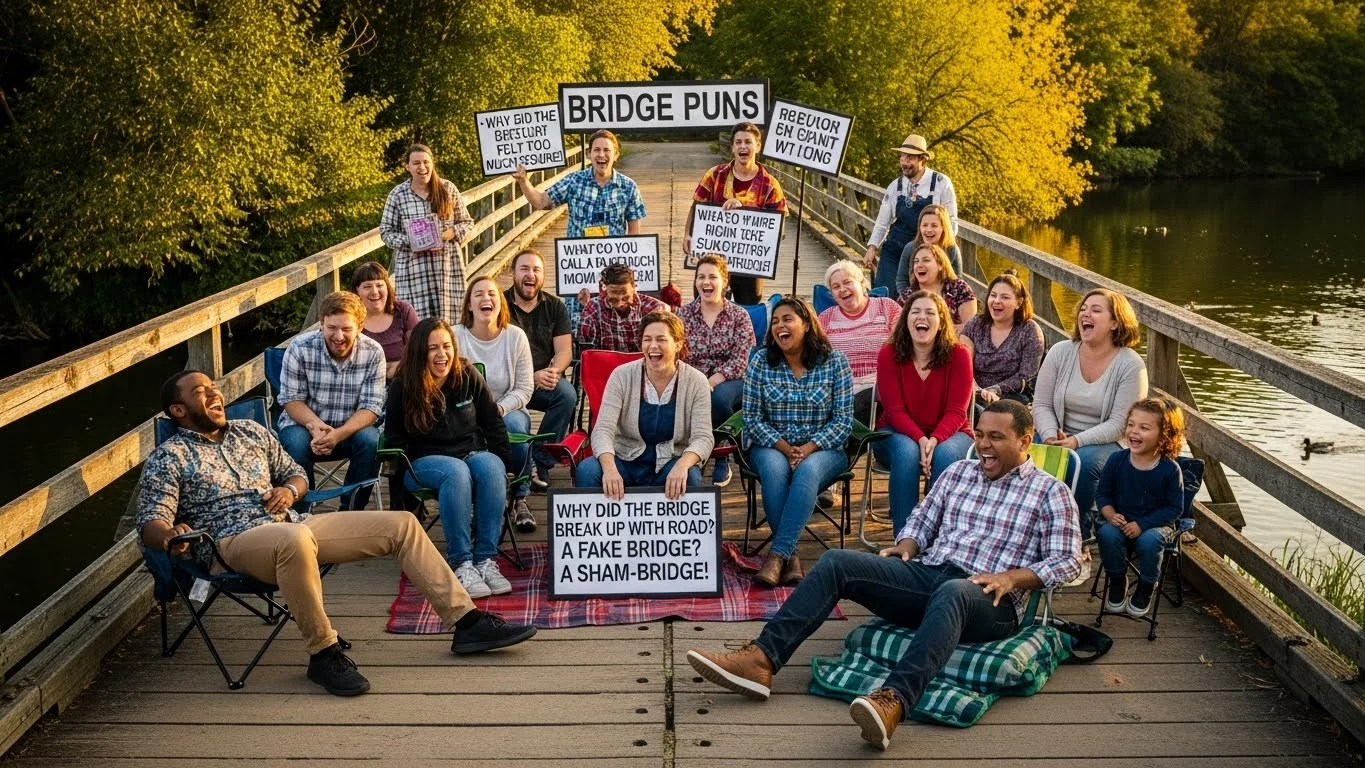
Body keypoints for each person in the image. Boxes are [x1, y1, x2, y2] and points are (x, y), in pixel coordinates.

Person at [685, 400, 1080, 751]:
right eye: (979, 435)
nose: (983, 445)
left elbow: (1068, 561)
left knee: (955, 591)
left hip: (990, 600)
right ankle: (761, 659)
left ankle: (892, 700)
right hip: (931, 575)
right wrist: (906, 545)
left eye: (996, 437)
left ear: (1025, 441)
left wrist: (1013, 578)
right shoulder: (959, 472)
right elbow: (922, 521)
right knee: (838, 562)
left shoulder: (1050, 492)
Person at [138, 370, 535, 697]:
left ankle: (465, 622)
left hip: (291, 521)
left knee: (402, 524)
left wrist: (290, 490)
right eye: (200, 391)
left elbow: (295, 473)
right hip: (231, 543)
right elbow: (151, 522)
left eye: (214, 387)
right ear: (178, 410)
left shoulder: (250, 432)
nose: (214, 393)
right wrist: (170, 535)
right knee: (294, 541)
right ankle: (323, 653)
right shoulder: (169, 457)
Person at [385, 318, 514, 600]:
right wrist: (399, 497)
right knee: (456, 471)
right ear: (420, 351)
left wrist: (507, 465)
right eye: (433, 348)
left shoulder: (467, 375)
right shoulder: (403, 386)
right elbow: (393, 441)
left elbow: (493, 423)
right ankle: (461, 562)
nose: (441, 354)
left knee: (492, 466)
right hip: (422, 463)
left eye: (446, 346)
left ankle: (485, 559)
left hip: (470, 452)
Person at [743, 297, 853, 587]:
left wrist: (807, 449)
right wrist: (784, 447)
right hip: (771, 444)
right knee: (774, 469)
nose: (780, 325)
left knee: (807, 471)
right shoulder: (760, 361)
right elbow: (752, 418)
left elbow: (843, 421)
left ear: (806, 325)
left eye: (788, 319)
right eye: (776, 321)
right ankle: (790, 557)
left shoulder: (835, 362)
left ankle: (777, 555)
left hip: (823, 448)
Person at [1033, 288, 1149, 556]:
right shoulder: (1061, 352)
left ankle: (1078, 536)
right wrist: (1050, 435)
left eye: (1096, 310)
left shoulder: (1131, 365)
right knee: (1027, 455)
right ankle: (1035, 531)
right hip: (1057, 434)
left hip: (1107, 442)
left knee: (1081, 465)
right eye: (1083, 309)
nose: (1086, 314)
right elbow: (1041, 404)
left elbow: (1121, 424)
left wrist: (1075, 441)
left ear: (1115, 323)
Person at [575, 311, 712, 498]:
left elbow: (703, 438)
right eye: (647, 339)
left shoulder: (697, 381)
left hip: (670, 463)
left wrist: (683, 464)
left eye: (661, 339)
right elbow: (602, 430)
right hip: (625, 461)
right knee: (587, 470)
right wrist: (610, 469)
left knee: (690, 476)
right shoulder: (621, 375)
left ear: (678, 344)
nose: (653, 346)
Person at [872, 291, 975, 533]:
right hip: (896, 432)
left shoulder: (959, 355)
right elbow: (894, 410)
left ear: (941, 322)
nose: (922, 317)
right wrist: (921, 439)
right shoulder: (889, 354)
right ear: (906, 319)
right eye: (915, 311)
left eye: (930, 312)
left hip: (951, 433)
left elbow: (957, 411)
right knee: (907, 452)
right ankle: (904, 537)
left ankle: (935, 534)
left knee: (944, 454)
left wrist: (934, 440)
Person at [277, 291, 385, 511]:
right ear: (321, 324)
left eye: (346, 329)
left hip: (352, 429)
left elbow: (371, 407)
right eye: (332, 328)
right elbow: (291, 399)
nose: (338, 336)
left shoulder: (374, 352)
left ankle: (351, 510)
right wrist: (316, 427)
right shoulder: (299, 348)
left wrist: (338, 434)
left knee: (371, 440)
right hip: (305, 427)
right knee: (294, 442)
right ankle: (302, 511)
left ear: (360, 327)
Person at [455, 276, 536, 531]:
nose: (486, 298)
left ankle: (519, 497)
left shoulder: (516, 337)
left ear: (500, 303)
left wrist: (498, 409)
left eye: (492, 294)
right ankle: (474, 501)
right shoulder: (455, 336)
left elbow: (525, 388)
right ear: (469, 305)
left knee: (514, 427)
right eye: (478, 294)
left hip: (507, 407)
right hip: (466, 411)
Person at [1097, 397, 1186, 618]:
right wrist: (1110, 514)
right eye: (1131, 424)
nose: (1134, 432)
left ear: (1164, 435)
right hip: (1121, 522)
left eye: (1144, 428)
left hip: (1156, 525)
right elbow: (1103, 494)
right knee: (1107, 533)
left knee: (1149, 540)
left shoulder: (1170, 470)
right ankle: (1118, 580)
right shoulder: (1116, 460)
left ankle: (1147, 585)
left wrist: (1143, 524)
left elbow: (1174, 509)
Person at [504, 248, 576, 511]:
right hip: (509, 384)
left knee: (566, 395)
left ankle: (540, 458)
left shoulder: (554, 306)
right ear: (513, 273)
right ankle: (515, 462)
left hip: (543, 380)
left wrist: (554, 371)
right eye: (524, 269)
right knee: (511, 418)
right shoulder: (499, 305)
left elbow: (565, 350)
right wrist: (528, 377)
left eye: (536, 270)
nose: (530, 275)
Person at [684, 122, 788, 304]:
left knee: (749, 304)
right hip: (712, 255)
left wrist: (744, 213)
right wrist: (687, 233)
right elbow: (696, 206)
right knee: (705, 302)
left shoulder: (770, 184)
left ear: (758, 146)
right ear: (732, 147)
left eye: (748, 142)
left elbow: (779, 228)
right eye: (738, 142)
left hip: (750, 261)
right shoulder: (715, 174)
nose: (743, 146)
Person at [677, 254, 755, 486]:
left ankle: (717, 453)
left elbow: (741, 359)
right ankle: (703, 450)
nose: (706, 282)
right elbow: (677, 353)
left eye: (712, 277)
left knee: (717, 399)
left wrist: (711, 381)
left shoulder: (739, 315)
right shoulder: (683, 315)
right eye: (701, 277)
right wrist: (698, 380)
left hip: (732, 379)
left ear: (725, 282)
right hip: (693, 377)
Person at [380, 144, 475, 325]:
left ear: (432, 163)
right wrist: (413, 240)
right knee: (416, 327)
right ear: (407, 166)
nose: (422, 167)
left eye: (426, 162)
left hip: (446, 270)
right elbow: (386, 232)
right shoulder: (398, 195)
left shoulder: (448, 188)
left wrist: (450, 233)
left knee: (451, 325)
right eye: (416, 163)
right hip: (413, 273)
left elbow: (467, 222)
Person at [863, 134, 959, 294]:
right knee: (885, 295)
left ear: (922, 159)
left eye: (910, 158)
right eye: (902, 157)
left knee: (922, 298)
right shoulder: (895, 186)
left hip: (927, 253)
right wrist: (872, 248)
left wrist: (944, 249)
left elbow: (951, 222)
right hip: (895, 250)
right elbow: (882, 222)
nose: (905, 162)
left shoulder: (941, 183)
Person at [513, 129, 645, 237]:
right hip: (578, 259)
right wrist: (523, 180)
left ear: (616, 155)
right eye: (596, 150)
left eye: (606, 150)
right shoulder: (574, 181)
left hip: (613, 259)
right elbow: (541, 202)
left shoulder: (628, 187)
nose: (601, 154)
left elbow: (634, 233)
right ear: (588, 154)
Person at [816, 260, 900, 425]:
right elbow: (815, 359)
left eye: (847, 282)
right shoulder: (825, 319)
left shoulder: (887, 307)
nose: (842, 289)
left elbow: (905, 344)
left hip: (882, 388)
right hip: (842, 391)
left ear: (862, 284)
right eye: (836, 287)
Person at [959, 271, 1045, 406]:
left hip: (1012, 398)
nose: (997, 301)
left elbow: (1026, 376)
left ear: (1018, 303)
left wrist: (995, 390)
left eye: (1005, 297)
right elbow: (962, 364)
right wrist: (977, 390)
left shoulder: (1030, 331)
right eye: (993, 295)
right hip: (973, 393)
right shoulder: (975, 325)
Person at [576, 262, 669, 352]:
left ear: (633, 287)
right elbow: (587, 350)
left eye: (625, 296)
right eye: (614, 296)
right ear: (605, 289)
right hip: (605, 361)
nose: (620, 302)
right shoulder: (593, 308)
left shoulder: (653, 307)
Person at [350, 261, 420, 381]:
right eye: (367, 286)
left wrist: (398, 368)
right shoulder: (350, 318)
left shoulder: (404, 311)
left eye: (379, 285)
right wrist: (386, 369)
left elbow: (419, 349)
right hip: (364, 382)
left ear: (387, 287)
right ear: (357, 291)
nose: (374, 291)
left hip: (403, 380)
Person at [901, 244, 976, 328]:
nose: (919, 265)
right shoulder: (907, 295)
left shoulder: (959, 288)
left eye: (926, 260)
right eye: (916, 261)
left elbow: (969, 328)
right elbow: (900, 328)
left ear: (940, 265)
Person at [894, 203, 962, 294]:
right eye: (925, 225)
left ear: (943, 228)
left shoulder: (952, 249)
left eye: (934, 226)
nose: (928, 230)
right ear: (919, 227)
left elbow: (957, 282)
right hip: (915, 298)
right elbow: (901, 279)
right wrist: (908, 298)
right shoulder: (910, 248)